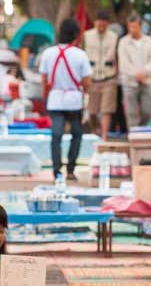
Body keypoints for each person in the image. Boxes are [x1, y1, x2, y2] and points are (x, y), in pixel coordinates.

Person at [39, 18, 93, 181]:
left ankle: (56, 170)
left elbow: (44, 80)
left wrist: (46, 97)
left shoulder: (48, 53)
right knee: (76, 134)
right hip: (74, 99)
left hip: (55, 98)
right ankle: (71, 169)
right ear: (76, 36)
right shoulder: (80, 55)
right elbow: (87, 82)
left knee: (56, 135)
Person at [82, 10, 119, 139]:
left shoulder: (114, 37)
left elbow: (117, 56)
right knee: (91, 110)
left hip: (109, 77)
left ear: (108, 23)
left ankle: (104, 137)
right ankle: (95, 131)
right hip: (92, 77)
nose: (101, 25)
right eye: (99, 22)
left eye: (103, 23)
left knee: (106, 110)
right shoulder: (87, 36)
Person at [117, 14, 151, 128]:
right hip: (129, 81)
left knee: (148, 109)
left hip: (146, 80)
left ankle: (141, 129)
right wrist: (136, 74)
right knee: (131, 113)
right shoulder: (123, 42)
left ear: (140, 26)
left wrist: (145, 72)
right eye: (130, 27)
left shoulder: (149, 41)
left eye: (135, 27)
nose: (132, 30)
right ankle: (134, 135)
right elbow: (123, 63)